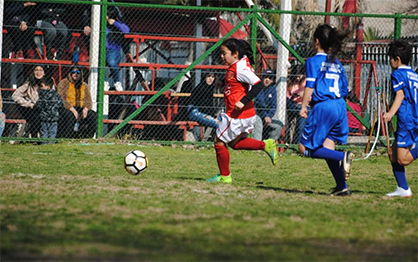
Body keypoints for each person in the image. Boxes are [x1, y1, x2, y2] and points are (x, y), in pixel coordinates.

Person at [206, 38, 279, 183]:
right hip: (244, 114)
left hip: (237, 114)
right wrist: (224, 83)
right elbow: (237, 82)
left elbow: (258, 85)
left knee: (218, 142)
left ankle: (225, 176)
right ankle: (266, 145)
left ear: (235, 54)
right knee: (234, 144)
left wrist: (243, 101)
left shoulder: (240, 68)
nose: (221, 56)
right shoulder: (237, 64)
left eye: (224, 53)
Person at [298, 24, 354, 196]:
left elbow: (310, 85)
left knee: (303, 148)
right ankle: (342, 186)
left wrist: (304, 105)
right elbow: (345, 89)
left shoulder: (313, 61)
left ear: (316, 41)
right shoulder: (336, 63)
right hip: (339, 105)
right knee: (327, 148)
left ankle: (342, 156)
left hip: (324, 106)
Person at [382, 40, 418, 198]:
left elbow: (400, 95)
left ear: (396, 59)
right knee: (393, 153)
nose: (389, 61)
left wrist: (390, 113)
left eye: (390, 58)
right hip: (413, 116)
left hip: (407, 119)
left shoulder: (397, 74)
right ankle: (403, 188)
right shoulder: (414, 74)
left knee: (402, 159)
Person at [57, 65, 97, 138]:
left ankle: (87, 137)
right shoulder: (63, 83)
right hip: (67, 107)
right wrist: (72, 109)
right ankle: (67, 137)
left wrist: (86, 109)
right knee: (70, 116)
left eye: (78, 72)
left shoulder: (84, 85)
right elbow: (61, 98)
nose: (76, 74)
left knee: (93, 115)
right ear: (70, 73)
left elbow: (88, 100)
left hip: (80, 107)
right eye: (73, 72)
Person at [11, 65, 47, 137]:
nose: (38, 72)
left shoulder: (48, 83)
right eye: (36, 70)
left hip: (44, 107)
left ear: (44, 73)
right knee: (35, 116)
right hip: (31, 108)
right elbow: (15, 95)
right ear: (33, 72)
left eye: (40, 70)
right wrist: (28, 103)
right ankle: (34, 137)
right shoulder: (29, 84)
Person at [104, 6, 130, 92]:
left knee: (112, 63)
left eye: (107, 15)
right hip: (102, 49)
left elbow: (126, 30)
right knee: (99, 63)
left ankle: (117, 82)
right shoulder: (102, 24)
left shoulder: (117, 24)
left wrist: (115, 23)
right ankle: (104, 82)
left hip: (113, 50)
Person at [187, 72, 219, 141]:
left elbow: (208, 105)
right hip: (194, 111)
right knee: (217, 123)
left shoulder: (211, 88)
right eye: (209, 76)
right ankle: (202, 142)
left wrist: (212, 114)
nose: (210, 79)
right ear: (204, 77)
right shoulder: (200, 87)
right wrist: (211, 114)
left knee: (219, 121)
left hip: (202, 111)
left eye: (213, 77)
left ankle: (206, 141)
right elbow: (202, 105)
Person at [253, 69, 282, 141]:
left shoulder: (273, 89)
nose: (267, 80)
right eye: (265, 77)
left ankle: (269, 144)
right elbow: (260, 105)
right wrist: (265, 116)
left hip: (268, 116)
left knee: (279, 125)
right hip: (257, 114)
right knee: (258, 123)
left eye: (270, 78)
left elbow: (274, 106)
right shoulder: (258, 87)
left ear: (272, 80)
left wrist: (269, 116)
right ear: (262, 78)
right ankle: (257, 146)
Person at [33, 76, 64, 144]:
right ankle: (51, 143)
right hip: (54, 117)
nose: (40, 88)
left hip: (44, 117)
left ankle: (43, 143)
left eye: (42, 86)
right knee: (52, 131)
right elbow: (61, 103)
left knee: (44, 131)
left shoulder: (42, 94)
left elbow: (39, 105)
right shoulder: (56, 94)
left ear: (48, 86)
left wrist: (35, 106)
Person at [286, 66, 308, 144]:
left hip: (304, 105)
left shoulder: (306, 82)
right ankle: (287, 141)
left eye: (300, 76)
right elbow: (287, 96)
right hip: (292, 105)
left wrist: (304, 95)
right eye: (296, 76)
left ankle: (297, 144)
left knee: (302, 120)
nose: (298, 78)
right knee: (285, 117)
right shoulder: (291, 83)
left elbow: (311, 97)